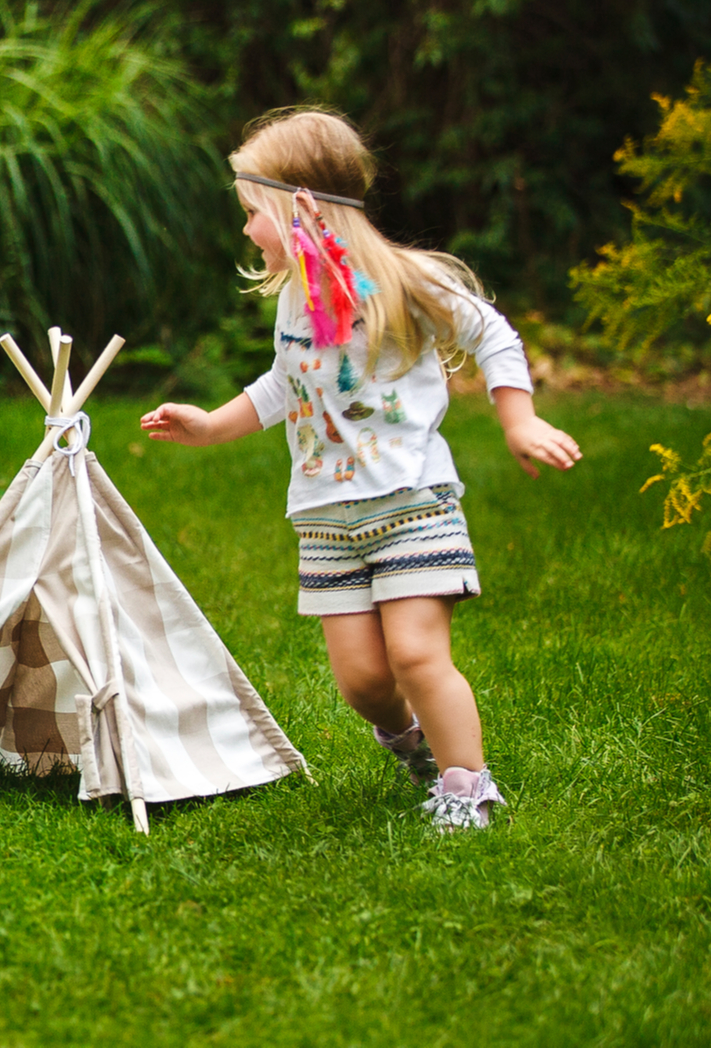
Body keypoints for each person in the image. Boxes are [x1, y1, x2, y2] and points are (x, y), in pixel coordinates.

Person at [139, 109, 581, 831]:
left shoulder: (404, 279)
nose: (247, 231)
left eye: (252, 212)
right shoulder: (296, 299)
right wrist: (213, 425)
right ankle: (418, 749)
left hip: (412, 502)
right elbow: (287, 382)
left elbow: (491, 334)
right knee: (366, 683)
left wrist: (519, 419)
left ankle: (467, 788)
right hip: (326, 518)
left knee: (414, 654)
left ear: (299, 207)